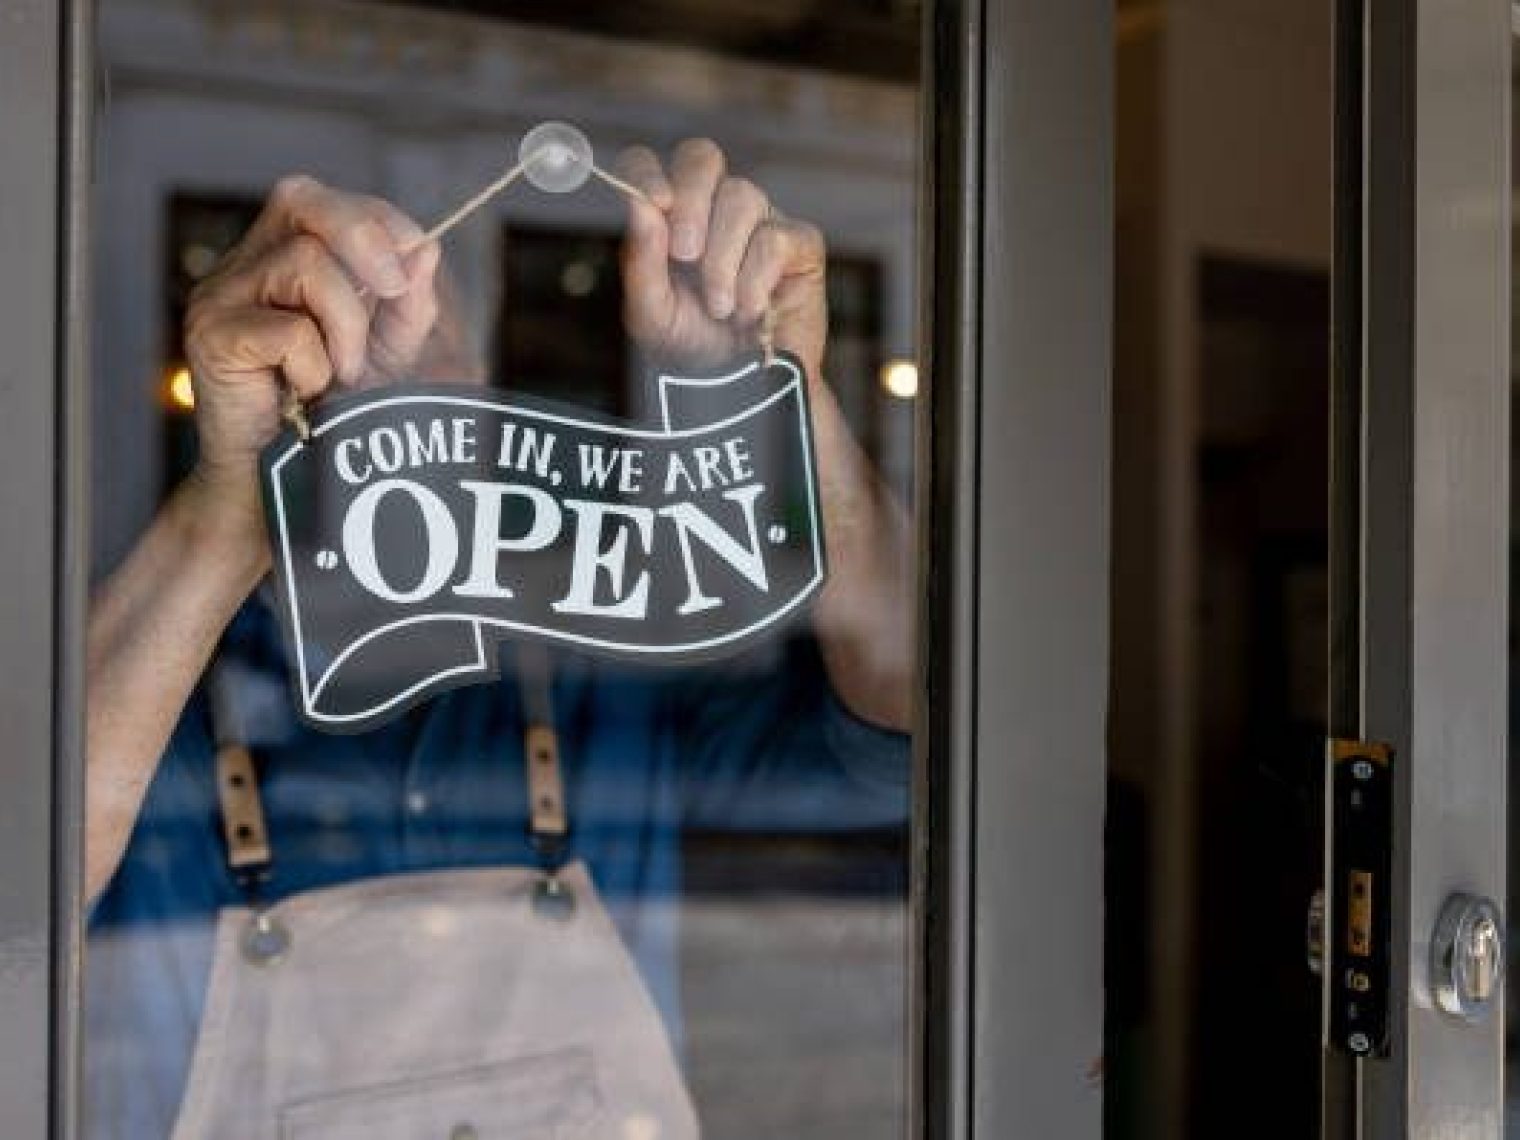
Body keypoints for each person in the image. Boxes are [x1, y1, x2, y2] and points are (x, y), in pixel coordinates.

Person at [84, 139, 913, 1138]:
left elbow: (912, 734)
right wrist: (231, 505)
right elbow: (22, 902)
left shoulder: (605, 681)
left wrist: (781, 403)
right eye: (352, 334)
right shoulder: (155, 705)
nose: (390, 373)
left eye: (430, 347)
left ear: (479, 393)